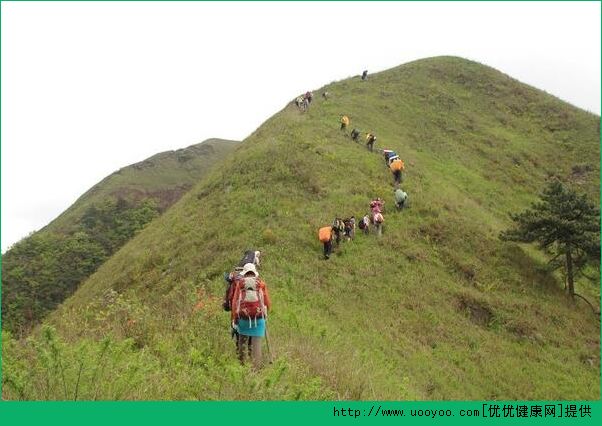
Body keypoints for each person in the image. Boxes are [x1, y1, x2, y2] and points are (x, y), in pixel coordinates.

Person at [230, 263, 271, 369]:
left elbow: (235, 303)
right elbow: (267, 303)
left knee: (242, 344)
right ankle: (255, 371)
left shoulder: (240, 284)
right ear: (254, 273)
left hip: (243, 319)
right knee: (256, 347)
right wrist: (264, 315)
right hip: (259, 319)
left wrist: (235, 319)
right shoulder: (261, 284)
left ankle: (242, 369)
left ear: (244, 273)